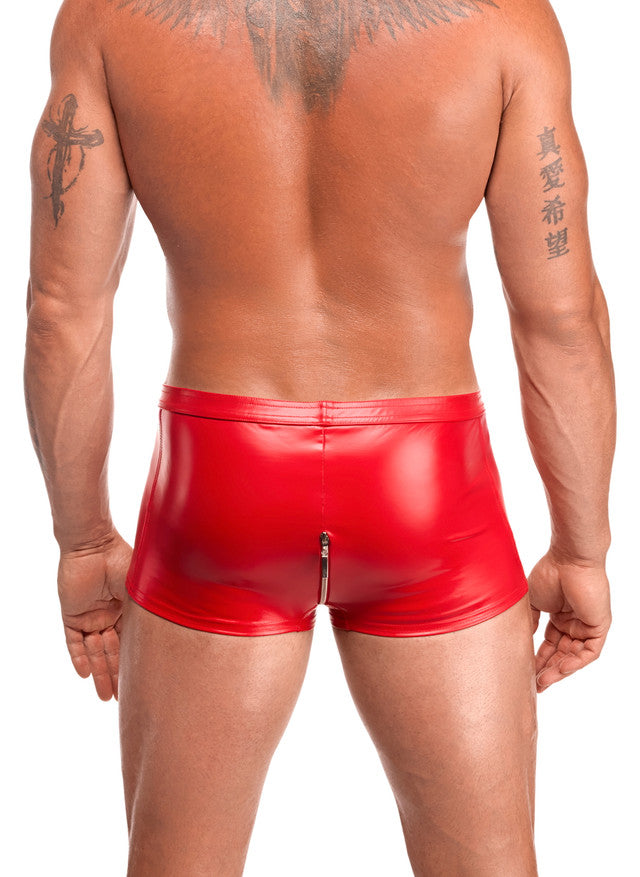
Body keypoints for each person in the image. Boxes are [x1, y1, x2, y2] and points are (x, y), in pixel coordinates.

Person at [23, 0, 615, 874]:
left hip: (219, 479)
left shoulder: (109, 18)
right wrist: (582, 549)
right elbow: (560, 322)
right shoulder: (507, 23)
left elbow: (62, 313)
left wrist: (81, 542)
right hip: (426, 484)